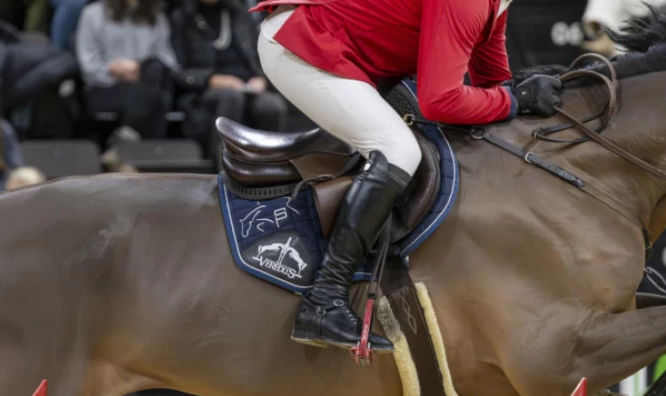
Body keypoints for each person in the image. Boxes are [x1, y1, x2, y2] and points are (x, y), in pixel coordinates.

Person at [249, 0, 563, 353]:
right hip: (303, 42)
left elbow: (493, 83)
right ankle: (324, 300)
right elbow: (440, 101)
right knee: (398, 150)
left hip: (339, 50)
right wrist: (518, 98)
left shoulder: (495, 5)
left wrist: (524, 97)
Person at [170, 0, 289, 160]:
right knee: (231, 97)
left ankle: (268, 166)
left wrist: (261, 79)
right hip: (206, 88)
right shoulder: (182, 18)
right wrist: (210, 79)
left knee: (272, 106)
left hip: (247, 84)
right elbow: (175, 68)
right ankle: (222, 165)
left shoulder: (240, 14)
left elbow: (261, 54)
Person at [75, 0, 180, 142]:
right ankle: (141, 153)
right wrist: (113, 69)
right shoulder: (92, 14)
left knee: (155, 73)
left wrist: (140, 68)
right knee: (160, 99)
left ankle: (128, 134)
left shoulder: (156, 17)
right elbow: (88, 67)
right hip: (106, 87)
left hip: (147, 83)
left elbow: (170, 63)